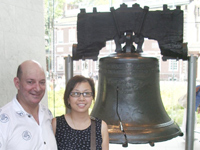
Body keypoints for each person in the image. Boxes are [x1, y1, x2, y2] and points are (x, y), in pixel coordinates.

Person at [0, 60, 57, 150]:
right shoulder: (3, 120)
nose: (37, 88)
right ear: (17, 83)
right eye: (30, 82)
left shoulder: (47, 114)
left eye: (42, 82)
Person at [52, 75, 109, 150]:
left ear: (92, 97)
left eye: (86, 93)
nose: (81, 98)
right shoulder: (57, 124)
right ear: (68, 98)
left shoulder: (101, 127)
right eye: (76, 93)